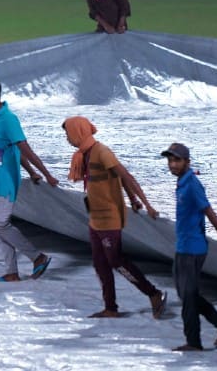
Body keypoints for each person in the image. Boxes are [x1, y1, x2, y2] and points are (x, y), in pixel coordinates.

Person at [62, 116, 166, 318]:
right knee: (100, 264)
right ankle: (110, 307)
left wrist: (144, 204)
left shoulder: (101, 151)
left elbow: (126, 176)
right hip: (95, 218)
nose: (67, 138)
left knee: (115, 260)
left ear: (78, 131)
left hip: (108, 217)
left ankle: (153, 293)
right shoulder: (85, 154)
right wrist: (133, 199)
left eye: (68, 133)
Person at [160, 142, 217, 352]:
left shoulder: (192, 185)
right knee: (186, 294)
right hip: (183, 246)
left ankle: (193, 342)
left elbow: (210, 214)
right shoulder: (182, 182)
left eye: (177, 160)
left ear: (187, 162)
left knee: (188, 297)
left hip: (193, 249)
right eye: (170, 160)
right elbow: (197, 216)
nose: (172, 164)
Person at [0, 77, 58, 281]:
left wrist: (45, 174)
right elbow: (8, 151)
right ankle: (11, 272)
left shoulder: (8, 119)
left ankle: (37, 257)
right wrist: (31, 172)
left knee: (1, 225)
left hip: (4, 182)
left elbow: (24, 148)